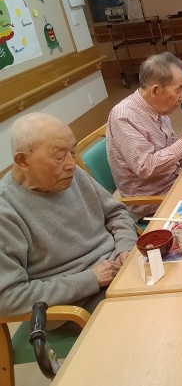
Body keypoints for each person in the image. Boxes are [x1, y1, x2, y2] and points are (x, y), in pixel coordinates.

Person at [0, 113, 137, 316]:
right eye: (59, 157)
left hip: (121, 266)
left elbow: (116, 212)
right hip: (78, 303)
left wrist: (125, 247)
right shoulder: (6, 211)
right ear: (23, 161)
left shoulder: (70, 174)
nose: (71, 164)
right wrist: (90, 280)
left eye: (73, 152)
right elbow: (8, 298)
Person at [106, 52, 182, 221]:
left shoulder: (157, 108)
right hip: (153, 202)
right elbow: (145, 167)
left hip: (175, 181)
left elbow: (173, 144)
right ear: (155, 90)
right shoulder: (124, 116)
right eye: (178, 90)